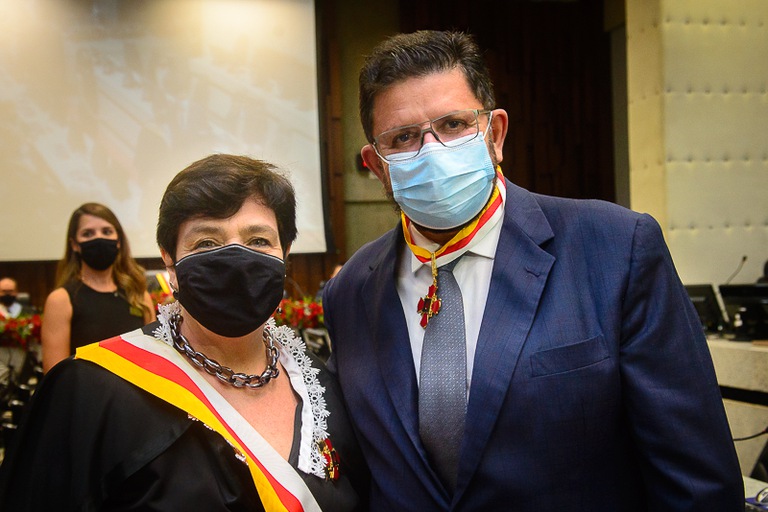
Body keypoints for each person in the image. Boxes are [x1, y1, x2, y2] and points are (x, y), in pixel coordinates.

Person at [321, 30, 744, 511]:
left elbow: (696, 481)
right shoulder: (350, 292)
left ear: (495, 134)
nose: (432, 150)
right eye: (403, 138)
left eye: (454, 124)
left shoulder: (614, 248)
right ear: (377, 165)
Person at [0, 154, 368, 511]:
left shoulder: (322, 385)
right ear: (170, 262)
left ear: (284, 253)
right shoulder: (90, 392)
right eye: (206, 242)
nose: (236, 258)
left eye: (258, 240)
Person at [40, 202, 156, 372]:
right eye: (88, 233)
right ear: (74, 245)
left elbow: (153, 359)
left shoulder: (138, 295)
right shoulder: (61, 300)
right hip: (84, 389)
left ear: (118, 241)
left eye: (107, 232)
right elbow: (55, 375)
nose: (99, 238)